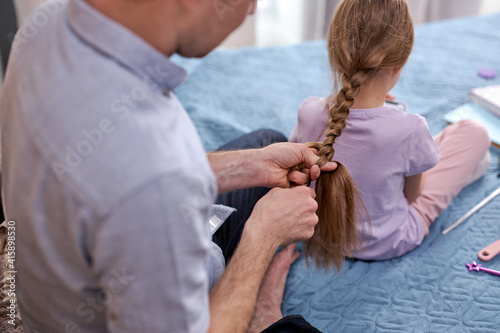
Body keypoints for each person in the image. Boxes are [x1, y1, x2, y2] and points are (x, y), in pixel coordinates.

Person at [0, 0, 334, 332]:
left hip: (46, 291)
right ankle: (263, 316)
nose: (252, 10)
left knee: (266, 141)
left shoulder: (47, 22)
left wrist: (249, 165)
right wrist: (262, 235)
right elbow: (150, 178)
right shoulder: (156, 168)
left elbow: (120, 176)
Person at [290, 0, 491, 261]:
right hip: (388, 241)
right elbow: (412, 196)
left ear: (334, 53)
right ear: (398, 64)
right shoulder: (410, 128)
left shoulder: (308, 110)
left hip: (319, 233)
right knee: (474, 133)